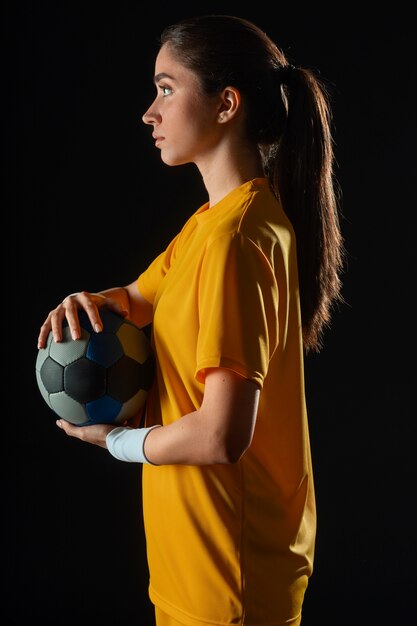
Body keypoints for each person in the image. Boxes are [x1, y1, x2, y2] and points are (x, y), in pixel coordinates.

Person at [37, 14, 344, 626]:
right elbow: (138, 297)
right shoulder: (213, 223)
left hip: (228, 582)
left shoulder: (236, 237)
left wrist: (116, 443)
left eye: (167, 88)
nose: (150, 112)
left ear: (227, 103)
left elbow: (221, 434)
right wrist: (85, 302)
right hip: (191, 568)